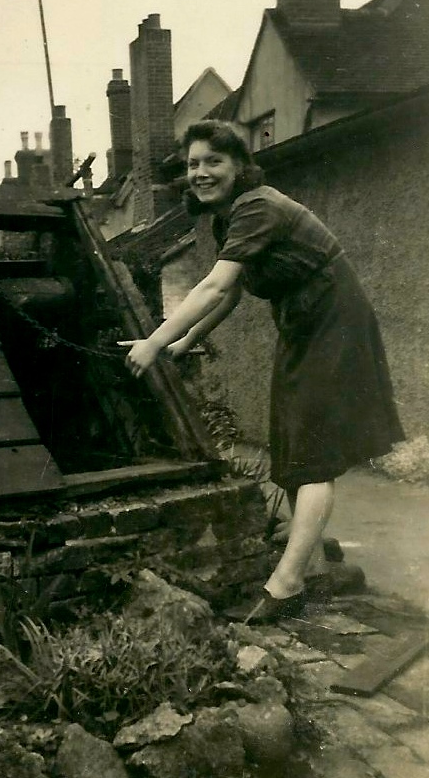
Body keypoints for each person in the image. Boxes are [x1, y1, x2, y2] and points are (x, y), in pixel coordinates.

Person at [118, 120, 404, 624]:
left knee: (312, 454)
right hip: (302, 324)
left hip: (334, 320)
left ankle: (287, 585)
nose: (201, 173)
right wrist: (183, 341)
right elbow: (229, 295)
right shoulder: (228, 219)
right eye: (193, 164)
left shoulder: (258, 206)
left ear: (239, 166)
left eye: (214, 161)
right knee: (292, 444)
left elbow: (213, 286)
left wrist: (154, 342)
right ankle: (313, 565)